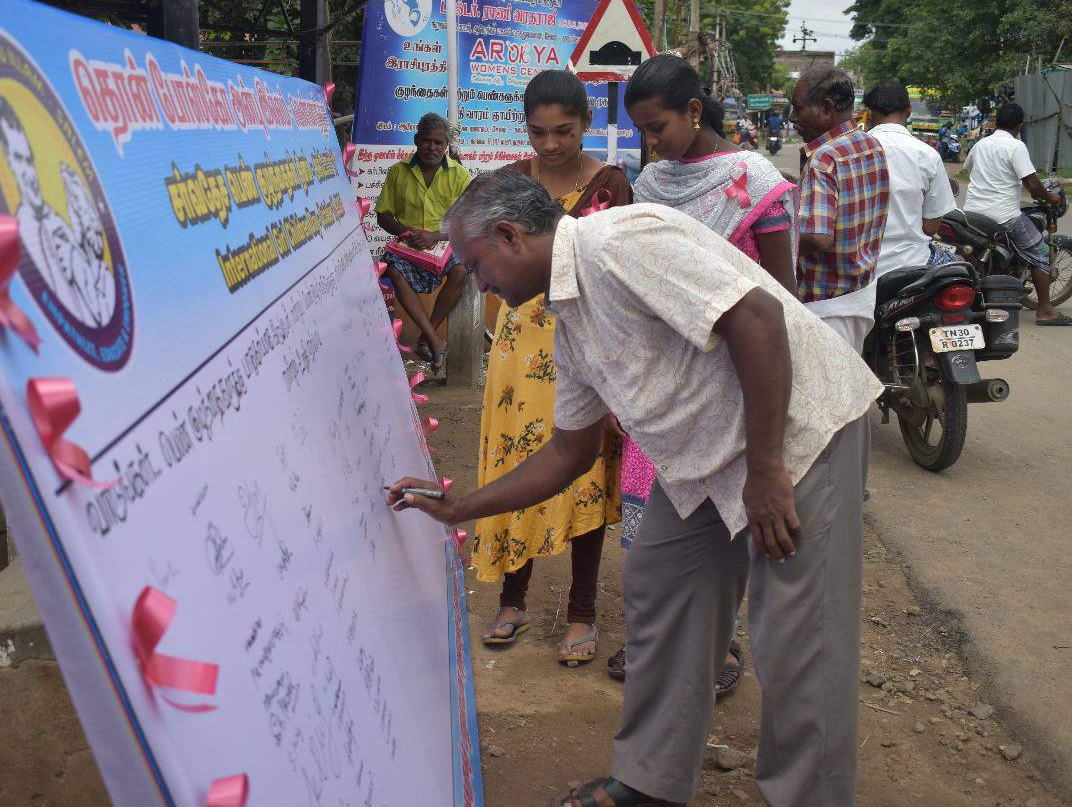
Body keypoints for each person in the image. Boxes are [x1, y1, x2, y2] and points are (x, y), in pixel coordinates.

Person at [389, 170, 882, 807]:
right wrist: (461, 507)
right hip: (708, 460)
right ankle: (649, 783)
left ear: (509, 236)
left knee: (797, 633)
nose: (476, 284)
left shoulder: (618, 243)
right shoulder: (566, 315)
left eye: (476, 265)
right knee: (663, 583)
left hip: (798, 435)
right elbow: (571, 450)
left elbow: (757, 317)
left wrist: (765, 471)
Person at [611, 53, 799, 691]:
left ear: (694, 112)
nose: (650, 141)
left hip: (734, 384)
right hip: (663, 384)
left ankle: (719, 650)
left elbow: (781, 298)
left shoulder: (753, 179)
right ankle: (657, 643)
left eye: (658, 126)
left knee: (722, 521)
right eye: (641, 129)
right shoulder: (652, 184)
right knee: (649, 518)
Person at [473, 69, 631, 667]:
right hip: (519, 352)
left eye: (563, 131)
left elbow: (622, 278)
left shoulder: (611, 186)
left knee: (583, 471)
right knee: (520, 468)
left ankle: (582, 612)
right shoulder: (511, 183)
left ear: (587, 124)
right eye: (537, 132)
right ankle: (513, 600)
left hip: (586, 348)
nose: (549, 144)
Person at [790, 64, 890, 351]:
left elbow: (819, 236)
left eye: (798, 108)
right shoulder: (870, 144)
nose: (792, 117)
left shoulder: (824, 159)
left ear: (826, 108)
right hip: (859, 295)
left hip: (826, 306)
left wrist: (769, 236)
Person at [0, 94, 113, 328]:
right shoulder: (17, 227)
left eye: (29, 160)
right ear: (8, 161)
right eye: (19, 159)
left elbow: (92, 303)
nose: (29, 173)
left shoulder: (54, 222)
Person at [375, 113, 472, 371]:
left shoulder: (460, 176)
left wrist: (435, 237)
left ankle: (428, 336)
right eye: (427, 141)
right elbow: (383, 215)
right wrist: (407, 232)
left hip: (445, 243)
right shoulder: (398, 172)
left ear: (446, 144)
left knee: (461, 269)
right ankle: (434, 340)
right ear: (417, 140)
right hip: (409, 246)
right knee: (393, 269)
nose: (432, 148)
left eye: (439, 143)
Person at [963, 101, 1070, 325]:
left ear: (996, 122)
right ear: (1020, 126)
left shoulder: (982, 144)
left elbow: (971, 168)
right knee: (1041, 253)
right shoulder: (1015, 147)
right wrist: (1050, 197)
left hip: (972, 213)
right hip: (1003, 215)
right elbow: (1032, 184)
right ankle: (1045, 311)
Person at [864, 81, 958, 277]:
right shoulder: (928, 155)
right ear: (908, 111)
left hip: (860, 267)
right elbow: (930, 227)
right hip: (912, 264)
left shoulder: (849, 152)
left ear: (870, 113)